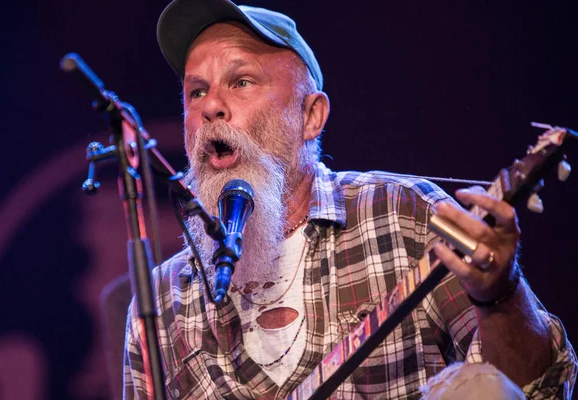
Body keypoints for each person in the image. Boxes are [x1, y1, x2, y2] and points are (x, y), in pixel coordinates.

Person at [123, 0, 577, 398]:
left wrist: (501, 295)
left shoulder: (404, 216)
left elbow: (539, 390)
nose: (211, 106)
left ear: (311, 116)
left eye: (241, 82)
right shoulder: (164, 300)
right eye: (196, 91)